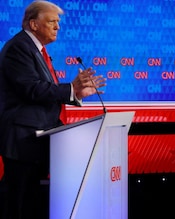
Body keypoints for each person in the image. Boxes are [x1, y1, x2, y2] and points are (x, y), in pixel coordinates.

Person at [0, 1, 106, 218]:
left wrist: (75, 94)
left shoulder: (37, 50)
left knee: (31, 204)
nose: (58, 27)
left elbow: (44, 92)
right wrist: (70, 89)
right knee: (17, 206)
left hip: (36, 141)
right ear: (34, 24)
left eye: (58, 22)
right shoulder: (19, 47)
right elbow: (31, 89)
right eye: (52, 22)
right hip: (23, 142)